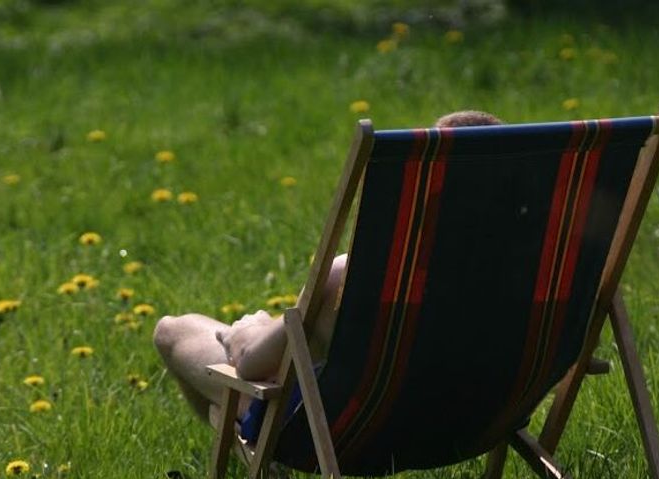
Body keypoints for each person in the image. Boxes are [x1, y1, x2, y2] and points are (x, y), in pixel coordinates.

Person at [153, 110, 503, 435]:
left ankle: (251, 444)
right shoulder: (527, 281)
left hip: (355, 433)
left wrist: (245, 331)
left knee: (173, 331)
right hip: (475, 424)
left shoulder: (355, 278)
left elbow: (250, 365)